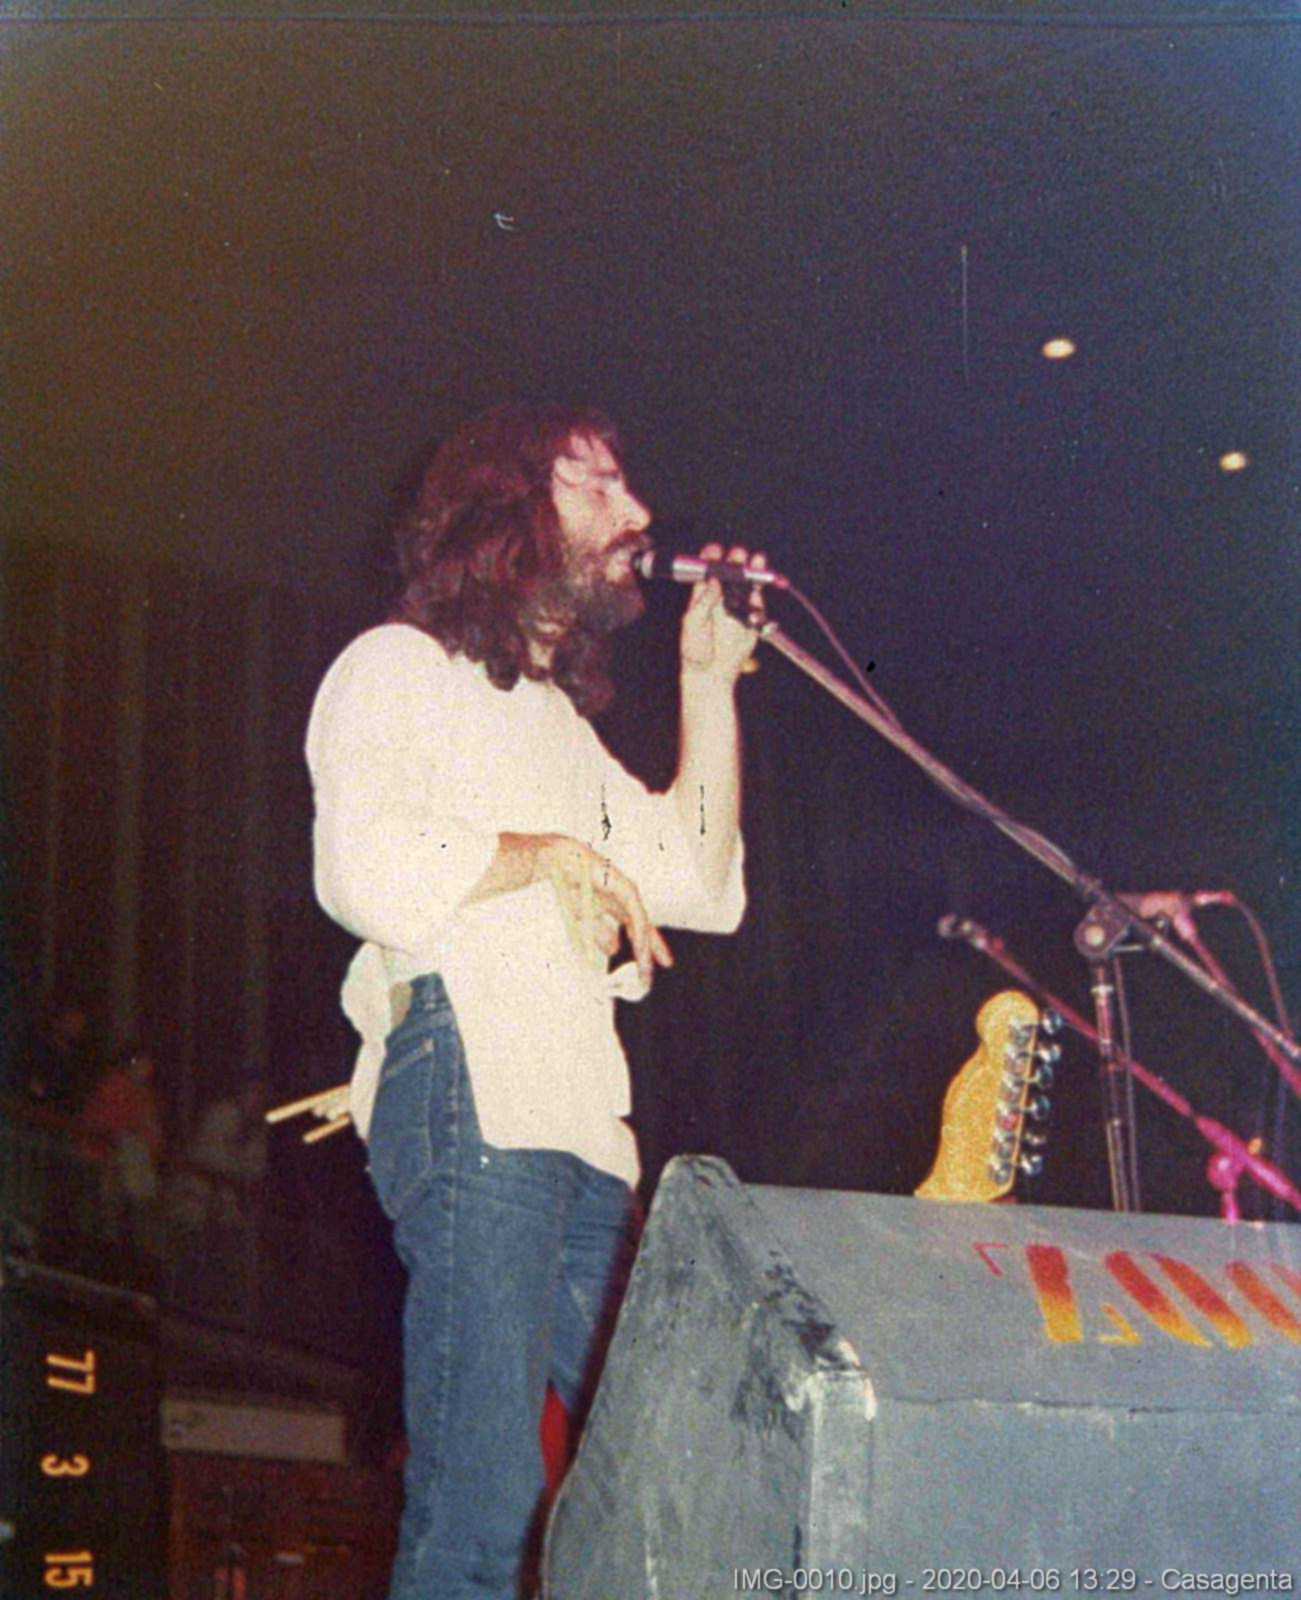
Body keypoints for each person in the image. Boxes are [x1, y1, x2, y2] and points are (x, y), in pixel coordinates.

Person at [306, 402, 761, 1599]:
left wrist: (706, 683)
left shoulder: (558, 728)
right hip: (469, 1073)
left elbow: (696, 878)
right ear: (508, 507)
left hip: (582, 1125)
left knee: (631, 1481)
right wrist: (539, 856)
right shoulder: (395, 668)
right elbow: (359, 866)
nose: (637, 511)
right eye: (595, 482)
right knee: (486, 1499)